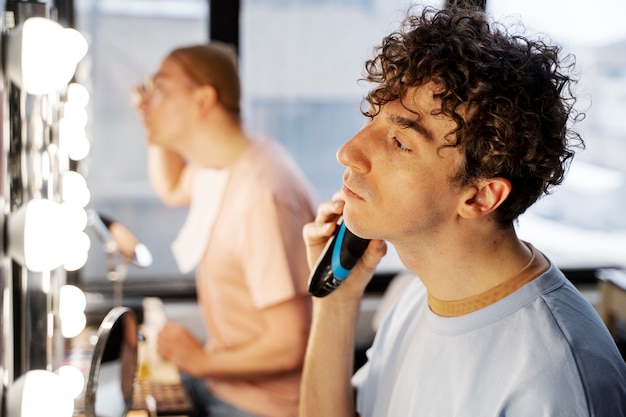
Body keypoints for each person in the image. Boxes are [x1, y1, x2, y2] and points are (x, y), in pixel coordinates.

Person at [299, 4, 626, 417]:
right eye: (372, 120)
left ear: (480, 197)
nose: (347, 152)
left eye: (400, 142)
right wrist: (336, 305)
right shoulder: (420, 294)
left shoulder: (554, 383)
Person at [135, 41, 316, 417]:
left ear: (203, 100)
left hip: (263, 407)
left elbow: (289, 343)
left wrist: (198, 361)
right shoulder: (221, 163)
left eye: (161, 89)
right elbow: (171, 188)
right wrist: (153, 126)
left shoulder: (262, 195)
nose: (149, 99)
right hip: (228, 389)